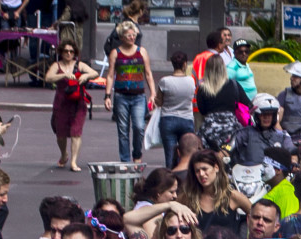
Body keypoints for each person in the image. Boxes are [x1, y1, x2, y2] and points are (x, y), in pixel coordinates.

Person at [101, 21, 153, 164]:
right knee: (123, 131)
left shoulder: (141, 51)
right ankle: (125, 160)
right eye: (129, 35)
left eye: (134, 35)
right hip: (121, 96)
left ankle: (137, 153)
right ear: (122, 37)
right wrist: (107, 96)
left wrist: (153, 94)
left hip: (138, 96)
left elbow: (148, 73)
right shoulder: (115, 53)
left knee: (139, 127)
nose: (132, 37)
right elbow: (110, 75)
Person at [44, 41, 101, 172]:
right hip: (61, 102)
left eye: (71, 51)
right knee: (61, 134)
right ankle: (64, 154)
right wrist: (63, 75)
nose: (69, 54)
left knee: (76, 132)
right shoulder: (56, 65)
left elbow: (95, 73)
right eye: (66, 51)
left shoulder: (79, 65)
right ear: (61, 53)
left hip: (78, 103)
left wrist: (86, 75)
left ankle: (74, 161)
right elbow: (48, 78)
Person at [154, 53, 197, 168]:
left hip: (168, 119)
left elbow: (159, 102)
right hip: (187, 119)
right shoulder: (191, 81)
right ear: (185, 64)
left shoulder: (164, 81)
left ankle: (171, 180)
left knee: (170, 155)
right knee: (188, 153)